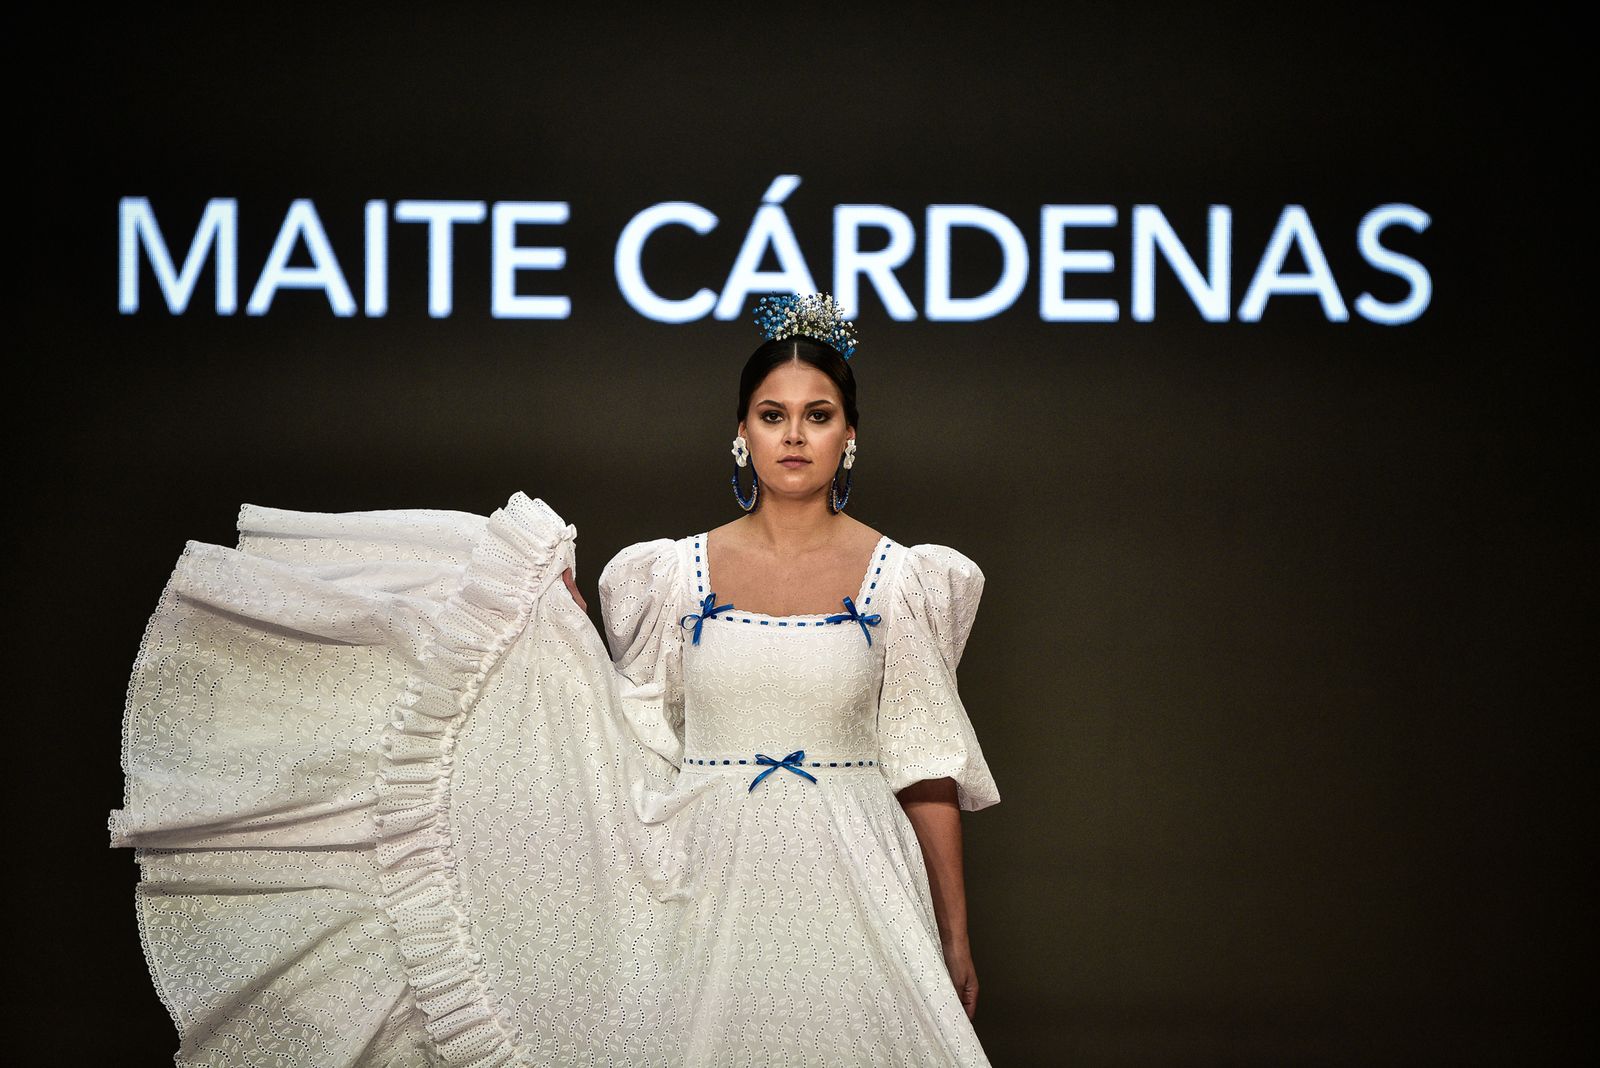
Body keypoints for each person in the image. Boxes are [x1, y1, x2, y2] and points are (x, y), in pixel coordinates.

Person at [109, 293, 1001, 1067]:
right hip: (705, 877)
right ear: (740, 433)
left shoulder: (907, 577)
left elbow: (925, 764)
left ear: (850, 437)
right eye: (773, 415)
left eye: (818, 415)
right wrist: (558, 641)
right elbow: (630, 740)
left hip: (858, 874)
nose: (795, 435)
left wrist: (954, 933)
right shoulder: (671, 574)